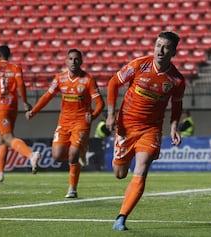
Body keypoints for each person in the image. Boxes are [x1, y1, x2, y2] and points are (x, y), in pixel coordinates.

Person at [106, 31, 186, 230]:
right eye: (158, 45)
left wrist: (174, 126)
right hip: (126, 126)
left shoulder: (177, 80)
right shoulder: (139, 65)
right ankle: (123, 168)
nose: (161, 50)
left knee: (141, 169)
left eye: (166, 47)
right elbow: (113, 83)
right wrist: (110, 114)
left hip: (151, 129)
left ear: (174, 52)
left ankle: (121, 218)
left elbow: (177, 105)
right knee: (120, 173)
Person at [25, 48, 104, 198]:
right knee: (57, 155)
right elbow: (47, 96)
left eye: (76, 59)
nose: (73, 62)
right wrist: (33, 111)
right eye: (70, 59)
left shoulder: (87, 80)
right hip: (64, 122)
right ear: (66, 61)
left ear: (81, 61)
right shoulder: (59, 78)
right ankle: (82, 151)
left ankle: (72, 189)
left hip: (81, 122)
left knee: (72, 156)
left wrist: (93, 116)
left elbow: (100, 103)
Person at [0, 45, 41, 182]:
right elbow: (21, 84)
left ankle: (31, 155)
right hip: (12, 107)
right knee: (2, 138)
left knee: (8, 137)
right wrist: (25, 101)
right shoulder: (15, 67)